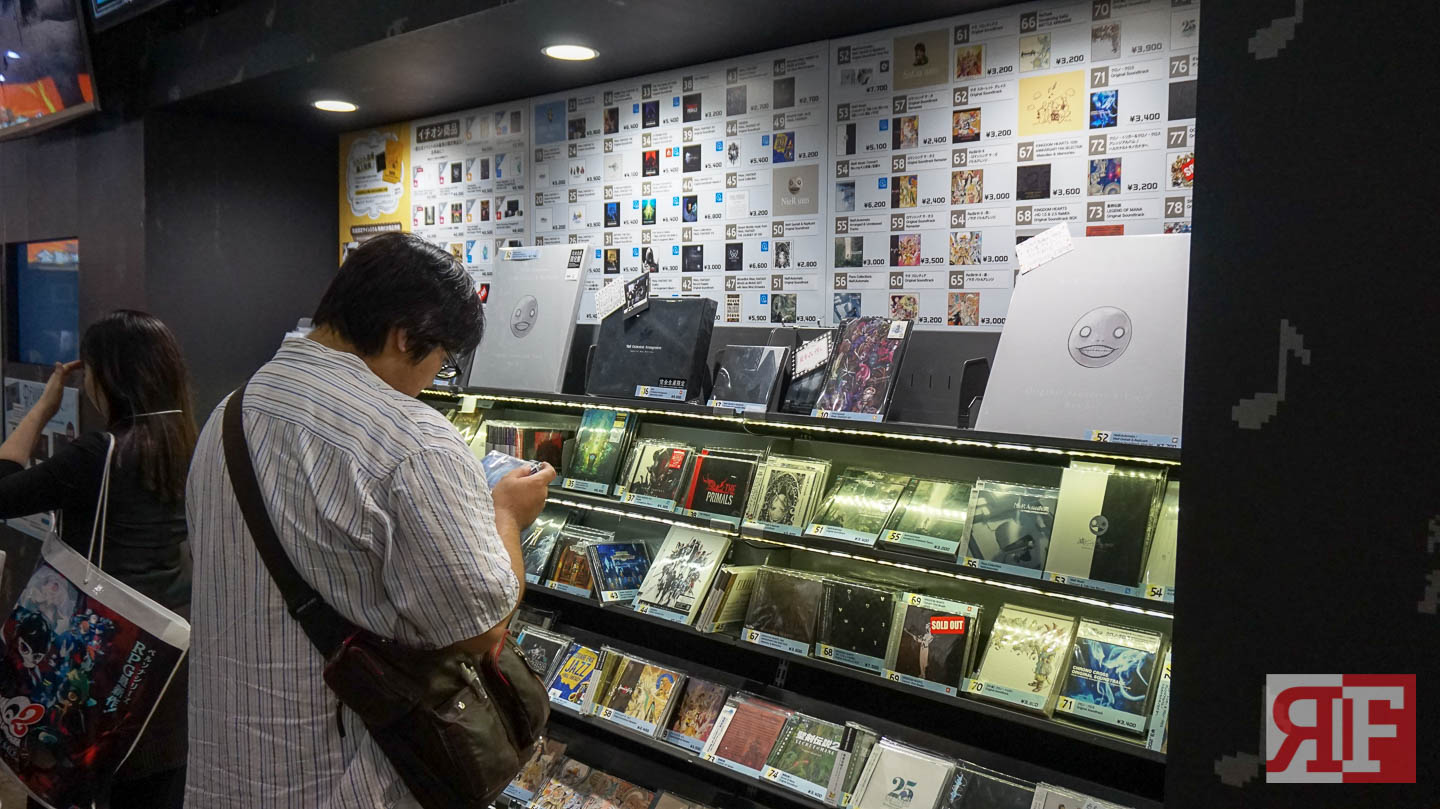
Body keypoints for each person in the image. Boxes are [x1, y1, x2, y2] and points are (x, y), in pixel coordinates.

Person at [184, 232, 554, 809]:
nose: (435, 378)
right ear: (405, 336)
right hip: (342, 775)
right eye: (443, 360)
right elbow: (479, 629)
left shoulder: (230, 412)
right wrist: (506, 514)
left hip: (225, 765)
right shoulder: (412, 440)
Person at [0, 310, 197, 809]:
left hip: (95, 661)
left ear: (107, 376)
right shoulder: (194, 444)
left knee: (71, 785)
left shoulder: (98, 454)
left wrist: (44, 406)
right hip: (168, 664)